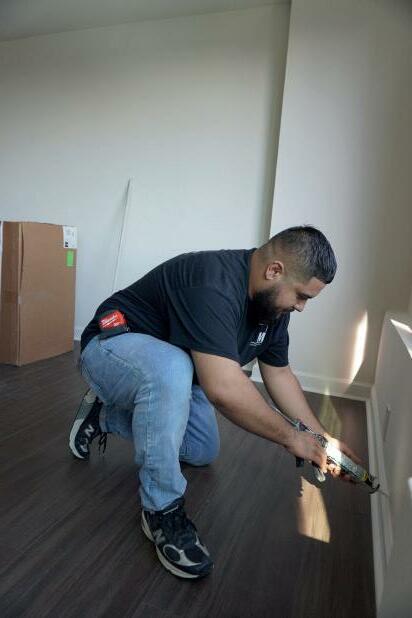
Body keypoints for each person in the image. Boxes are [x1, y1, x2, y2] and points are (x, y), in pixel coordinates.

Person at [69, 225, 359, 579]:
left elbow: (280, 374)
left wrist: (321, 438)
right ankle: (161, 509)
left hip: (175, 371)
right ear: (274, 270)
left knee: (201, 448)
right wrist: (292, 438)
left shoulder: (272, 310)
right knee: (172, 367)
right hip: (110, 347)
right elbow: (223, 388)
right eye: (301, 296)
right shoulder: (213, 283)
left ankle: (104, 416)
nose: (301, 307)